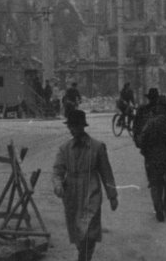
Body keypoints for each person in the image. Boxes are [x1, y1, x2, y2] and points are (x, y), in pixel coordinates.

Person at [53, 108, 119, 261]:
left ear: (82, 126)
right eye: (70, 126)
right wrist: (58, 185)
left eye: (75, 126)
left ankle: (85, 256)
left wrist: (112, 196)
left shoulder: (97, 147)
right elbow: (57, 170)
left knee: (90, 228)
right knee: (77, 229)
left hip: (91, 190)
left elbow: (106, 173)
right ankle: (83, 253)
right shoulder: (64, 149)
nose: (72, 129)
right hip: (71, 194)